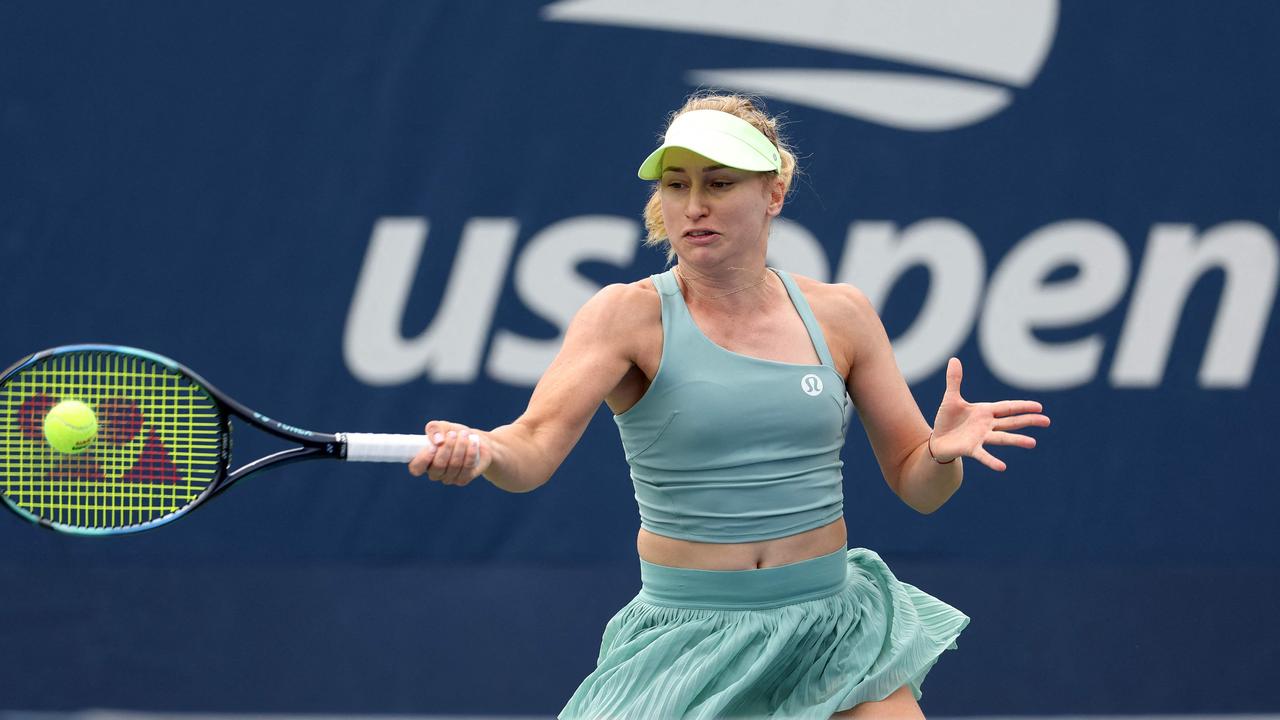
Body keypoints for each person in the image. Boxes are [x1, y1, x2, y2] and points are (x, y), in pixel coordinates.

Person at [408, 93, 1050, 718]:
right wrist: (486, 449)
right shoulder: (625, 316)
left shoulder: (842, 315)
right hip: (691, 638)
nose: (693, 206)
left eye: (718, 184)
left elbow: (921, 485)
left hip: (833, 631)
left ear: (774, 193)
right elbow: (532, 450)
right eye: (676, 185)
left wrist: (940, 454)